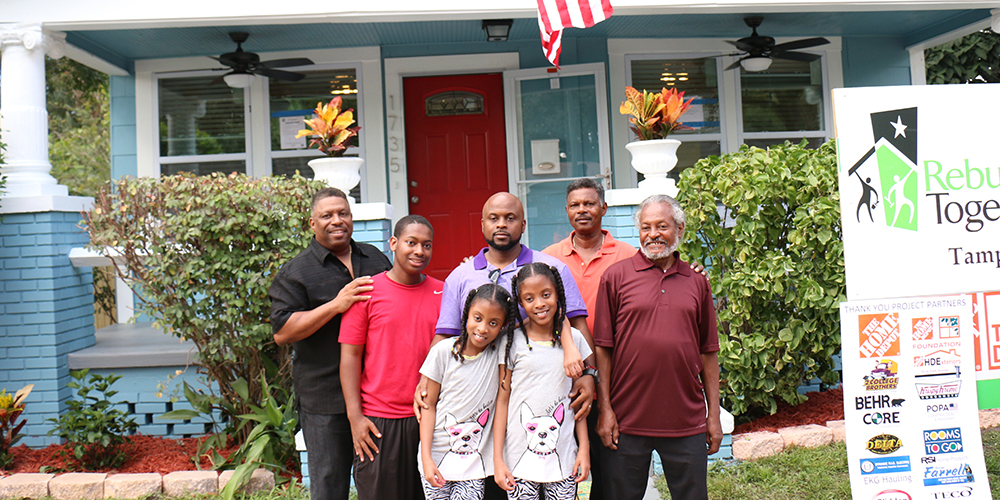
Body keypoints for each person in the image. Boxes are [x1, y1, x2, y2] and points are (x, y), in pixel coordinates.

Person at [416, 192, 596, 500]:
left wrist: (588, 375)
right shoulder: (461, 276)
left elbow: (573, 323)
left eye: (510, 218)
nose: (502, 225)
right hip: (477, 415)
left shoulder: (549, 269)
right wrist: (424, 383)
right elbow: (445, 336)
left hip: (527, 405)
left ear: (523, 224)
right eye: (494, 218)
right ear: (483, 224)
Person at [592, 194, 721, 500]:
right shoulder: (615, 278)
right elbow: (603, 350)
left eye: (661, 226)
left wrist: (712, 415)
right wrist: (605, 409)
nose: (653, 234)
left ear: (679, 228)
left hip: (686, 419)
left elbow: (709, 352)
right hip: (626, 419)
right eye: (646, 227)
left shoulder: (696, 282)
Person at [269, 187, 392, 500]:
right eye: (327, 215)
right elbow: (283, 332)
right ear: (312, 223)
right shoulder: (297, 272)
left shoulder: (374, 258)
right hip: (325, 399)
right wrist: (336, 305)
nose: (337, 221)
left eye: (343, 213)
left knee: (383, 484)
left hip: (377, 393)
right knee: (329, 486)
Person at [339, 215, 443, 500]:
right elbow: (349, 356)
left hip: (430, 418)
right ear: (394, 244)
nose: (419, 251)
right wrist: (355, 416)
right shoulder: (367, 292)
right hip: (379, 422)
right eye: (411, 243)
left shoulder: (443, 293)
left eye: (427, 245)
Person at [494, 263, 594, 500]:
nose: (539, 304)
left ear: (558, 294)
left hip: (564, 458)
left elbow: (576, 401)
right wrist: (498, 458)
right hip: (518, 459)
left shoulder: (575, 340)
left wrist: (584, 450)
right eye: (529, 298)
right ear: (520, 302)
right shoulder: (512, 343)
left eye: (546, 295)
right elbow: (502, 401)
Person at [419, 284, 518, 500]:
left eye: (493, 323)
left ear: (504, 326)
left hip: (472, 464)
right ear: (466, 315)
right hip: (436, 456)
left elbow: (535, 323)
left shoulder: (500, 350)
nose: (483, 329)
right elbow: (428, 407)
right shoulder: (443, 352)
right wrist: (426, 457)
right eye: (478, 318)